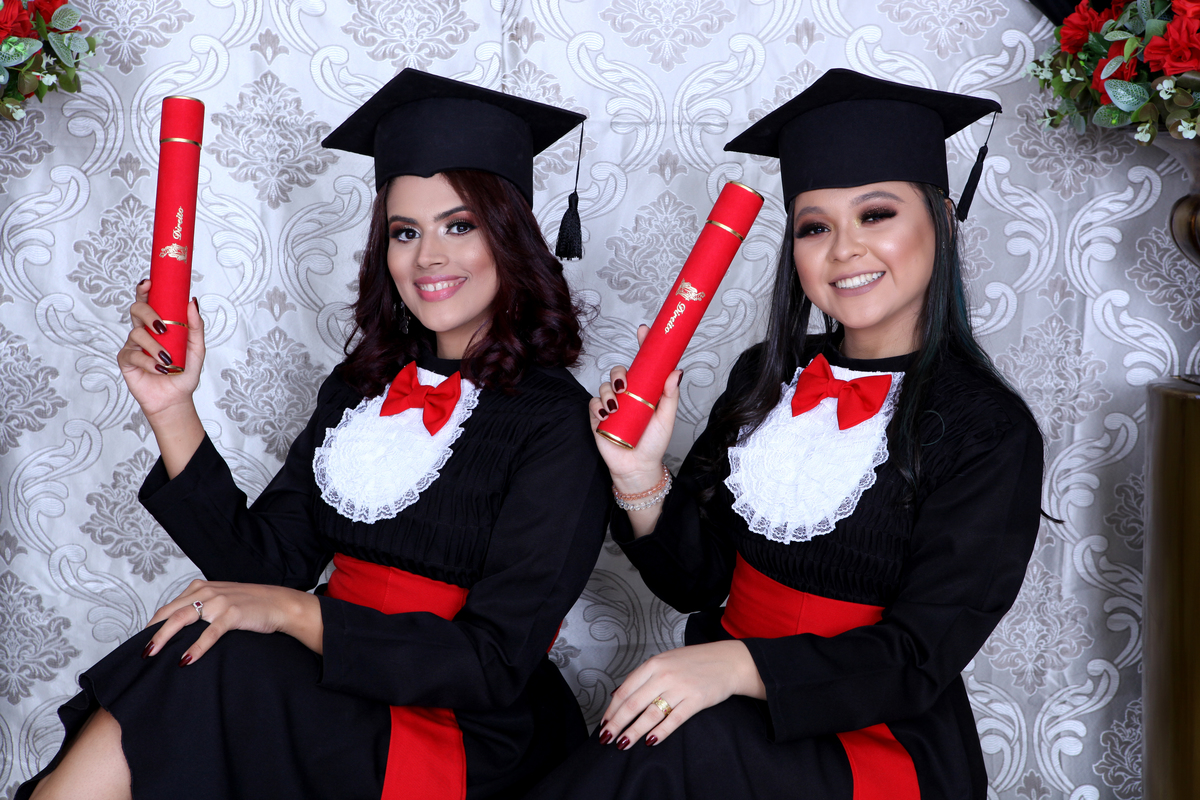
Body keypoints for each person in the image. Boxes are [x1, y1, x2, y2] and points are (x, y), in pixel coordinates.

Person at [19, 69, 610, 800]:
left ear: (511, 237)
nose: (427, 257)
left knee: (217, 655)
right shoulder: (361, 387)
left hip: (461, 723)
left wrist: (296, 612)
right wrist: (171, 408)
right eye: (405, 232)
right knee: (197, 641)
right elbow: (265, 567)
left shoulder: (558, 423)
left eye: (459, 226)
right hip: (342, 677)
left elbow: (493, 664)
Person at [525, 68, 1044, 800]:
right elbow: (699, 582)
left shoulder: (989, 428)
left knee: (664, 757)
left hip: (875, 735)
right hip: (730, 702)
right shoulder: (764, 377)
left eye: (876, 215)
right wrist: (638, 472)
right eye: (814, 227)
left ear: (943, 225)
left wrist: (736, 666)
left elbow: (920, 656)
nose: (844, 249)